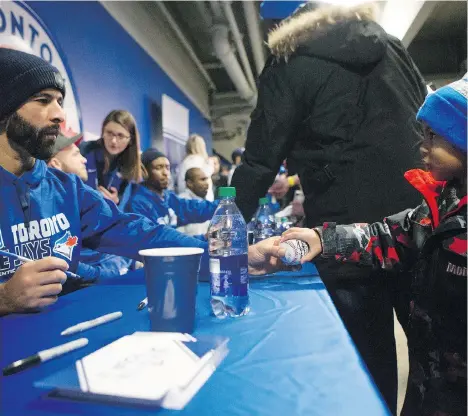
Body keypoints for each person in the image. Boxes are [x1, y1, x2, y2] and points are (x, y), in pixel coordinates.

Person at [230, 3, 428, 411]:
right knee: (439, 362)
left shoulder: (288, 63)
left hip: (344, 237)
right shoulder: (389, 45)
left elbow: (260, 159)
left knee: (367, 365)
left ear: (276, 24)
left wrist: (229, 224)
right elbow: (424, 125)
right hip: (416, 223)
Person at [0, 49, 287, 315]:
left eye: (60, 101)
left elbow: (141, 233)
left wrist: (233, 259)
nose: (59, 114)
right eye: (42, 100)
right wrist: (4, 297)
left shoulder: (66, 190)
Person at [281, 77, 467, 416]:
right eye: (422, 133)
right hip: (429, 385)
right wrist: (323, 239)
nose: (422, 146)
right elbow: (391, 235)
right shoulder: (442, 202)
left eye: (434, 135)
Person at [47, 134, 135, 281]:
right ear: (56, 163)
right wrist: (113, 271)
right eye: (76, 154)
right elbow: (71, 267)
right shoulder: (47, 207)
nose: (84, 159)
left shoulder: (80, 196)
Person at [127, 149, 217, 240]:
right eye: (158, 168)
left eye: (167, 168)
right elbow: (155, 242)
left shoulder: (168, 197)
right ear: (144, 171)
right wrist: (202, 238)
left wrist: (224, 205)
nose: (165, 173)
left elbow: (194, 209)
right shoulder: (138, 203)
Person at [80, 109, 142, 207]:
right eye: (109, 133)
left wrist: (117, 201)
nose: (113, 141)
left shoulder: (130, 163)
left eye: (120, 136)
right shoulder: (84, 150)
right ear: (103, 132)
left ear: (131, 140)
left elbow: (122, 204)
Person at [176, 134, 214, 201]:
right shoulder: (200, 161)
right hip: (199, 202)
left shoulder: (183, 163)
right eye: (203, 179)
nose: (206, 183)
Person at [177, 167, 212, 236]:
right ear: (189, 183)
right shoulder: (181, 202)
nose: (207, 183)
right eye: (202, 179)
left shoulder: (206, 201)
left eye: (206, 179)